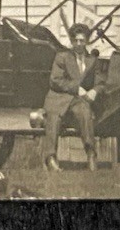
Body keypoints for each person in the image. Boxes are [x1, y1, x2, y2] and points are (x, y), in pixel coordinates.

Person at [43, 22, 100, 171]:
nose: (79, 44)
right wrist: (77, 88)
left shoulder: (92, 60)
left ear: (86, 41)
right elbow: (55, 80)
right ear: (72, 41)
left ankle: (91, 155)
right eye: (76, 40)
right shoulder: (62, 57)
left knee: (85, 113)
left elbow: (101, 82)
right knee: (53, 117)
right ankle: (51, 158)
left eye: (82, 40)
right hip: (59, 97)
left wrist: (95, 90)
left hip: (77, 100)